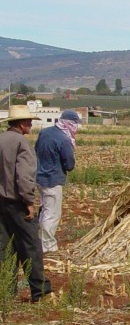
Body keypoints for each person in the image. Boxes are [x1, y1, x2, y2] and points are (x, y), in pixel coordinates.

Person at [0, 105, 51, 302]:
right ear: (22, 124)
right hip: (17, 202)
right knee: (31, 247)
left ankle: (6, 291)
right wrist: (29, 201)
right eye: (29, 121)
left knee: (5, 248)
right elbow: (24, 176)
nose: (31, 124)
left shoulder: (2, 139)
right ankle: (40, 292)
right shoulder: (21, 143)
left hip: (1, 203)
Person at [35, 109, 81, 255]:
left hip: (40, 177)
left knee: (43, 210)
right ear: (70, 123)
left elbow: (36, 150)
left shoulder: (44, 132)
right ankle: (47, 245)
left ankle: (38, 239)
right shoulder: (64, 139)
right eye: (76, 124)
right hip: (53, 179)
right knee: (52, 213)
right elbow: (69, 164)